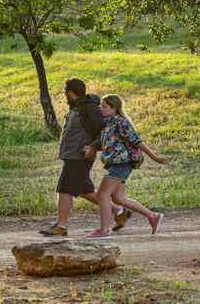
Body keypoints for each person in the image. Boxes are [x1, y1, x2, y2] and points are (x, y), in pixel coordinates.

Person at [39, 78, 130, 237]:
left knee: (64, 189)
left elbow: (104, 130)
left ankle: (61, 225)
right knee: (83, 189)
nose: (64, 93)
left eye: (65, 90)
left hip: (80, 155)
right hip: (72, 155)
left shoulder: (89, 108)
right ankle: (118, 211)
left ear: (71, 92)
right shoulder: (77, 107)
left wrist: (93, 147)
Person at [84, 94, 165, 239]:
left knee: (102, 195)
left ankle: (104, 230)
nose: (101, 108)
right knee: (118, 198)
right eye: (101, 106)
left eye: (104, 106)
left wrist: (155, 157)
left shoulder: (121, 122)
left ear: (114, 108)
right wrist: (91, 148)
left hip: (121, 163)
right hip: (114, 163)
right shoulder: (108, 123)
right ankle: (153, 216)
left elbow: (137, 141)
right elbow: (112, 144)